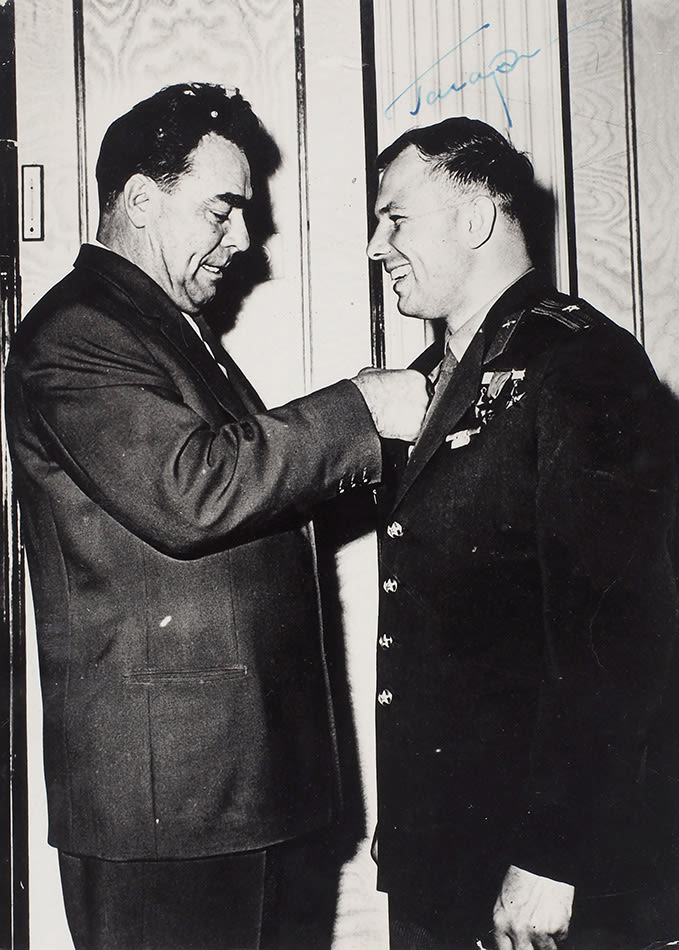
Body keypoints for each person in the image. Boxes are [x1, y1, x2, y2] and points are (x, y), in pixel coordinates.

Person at [5, 82, 430, 950]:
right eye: (221, 211)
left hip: (236, 791)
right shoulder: (77, 333)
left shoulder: (160, 328)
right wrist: (360, 408)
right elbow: (192, 492)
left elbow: (253, 501)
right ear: (139, 199)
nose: (241, 240)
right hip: (171, 807)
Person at [367, 116, 679, 949]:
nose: (375, 246)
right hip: (447, 848)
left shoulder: (582, 364)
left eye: (395, 219)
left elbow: (618, 633)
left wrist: (554, 854)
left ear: (473, 220)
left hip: (534, 864)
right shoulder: (434, 379)